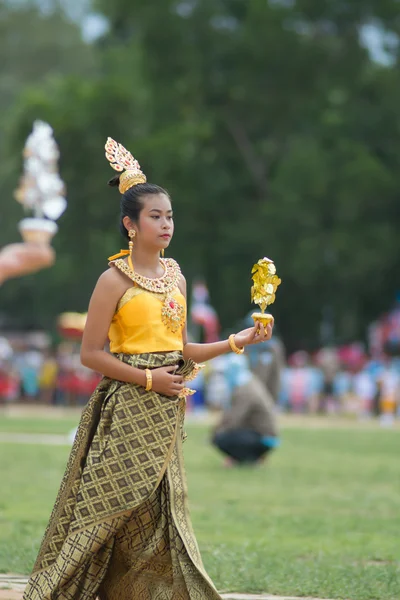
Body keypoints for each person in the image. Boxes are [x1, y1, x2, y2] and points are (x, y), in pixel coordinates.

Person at [23, 137, 274, 600]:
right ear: (130, 224)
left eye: (170, 215)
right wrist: (148, 379)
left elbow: (183, 350)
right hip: (127, 408)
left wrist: (238, 341)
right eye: (155, 216)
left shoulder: (175, 276)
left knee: (161, 511)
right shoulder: (112, 279)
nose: (166, 224)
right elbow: (91, 354)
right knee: (104, 505)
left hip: (166, 412)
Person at [212, 354, 280, 466]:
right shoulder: (250, 382)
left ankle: (245, 459)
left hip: (263, 437)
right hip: (263, 433)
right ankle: (253, 458)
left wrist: (215, 432)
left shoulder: (244, 390)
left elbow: (234, 419)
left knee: (221, 438)